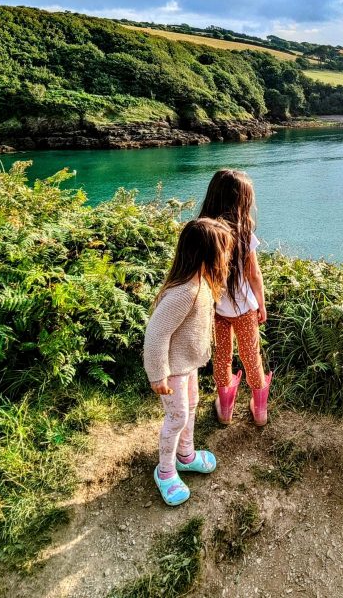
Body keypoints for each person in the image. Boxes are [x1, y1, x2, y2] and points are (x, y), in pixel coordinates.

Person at [143, 217, 233, 506]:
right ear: (204, 253)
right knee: (177, 417)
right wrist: (158, 374)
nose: (226, 255)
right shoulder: (185, 292)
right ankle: (166, 471)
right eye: (223, 250)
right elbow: (156, 333)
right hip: (172, 371)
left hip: (187, 365)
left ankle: (186, 455)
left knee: (191, 408)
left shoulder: (201, 282)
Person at [199, 168, 272, 426]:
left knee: (222, 356)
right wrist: (261, 304)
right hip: (244, 309)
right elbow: (254, 276)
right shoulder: (244, 234)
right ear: (240, 202)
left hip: (216, 309)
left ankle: (225, 409)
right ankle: (260, 410)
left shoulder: (204, 235)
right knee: (251, 354)